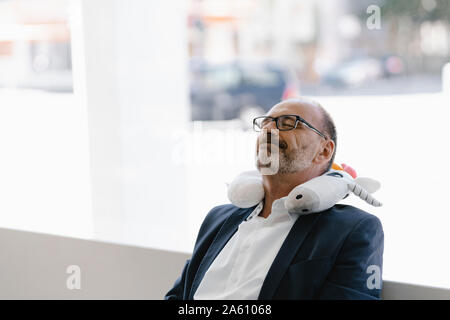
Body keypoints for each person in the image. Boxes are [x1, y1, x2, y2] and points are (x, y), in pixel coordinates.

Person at [165, 98, 384, 300]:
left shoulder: (352, 229)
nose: (269, 129)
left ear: (324, 151)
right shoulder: (218, 218)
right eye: (265, 123)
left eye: (288, 123)